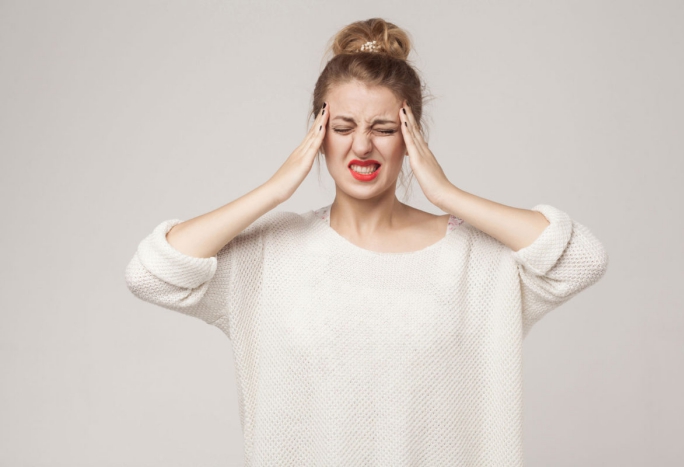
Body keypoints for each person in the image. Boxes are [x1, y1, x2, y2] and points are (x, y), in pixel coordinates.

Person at [125, 18, 609, 467]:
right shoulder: (270, 255)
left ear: (411, 135)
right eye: (342, 127)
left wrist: (447, 195)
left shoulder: (475, 261)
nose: (362, 146)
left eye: (383, 128)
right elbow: (152, 274)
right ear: (317, 135)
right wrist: (274, 190)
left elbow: (582, 260)